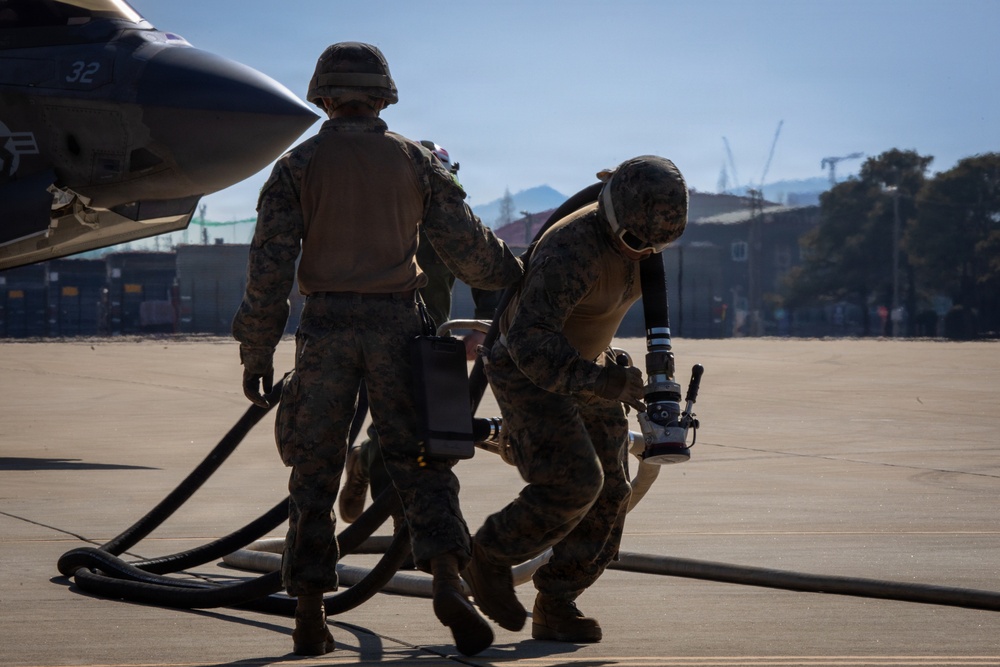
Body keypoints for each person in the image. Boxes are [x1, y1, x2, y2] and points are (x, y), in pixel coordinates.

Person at [231, 42, 522, 657]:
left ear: (325, 99)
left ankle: (310, 615)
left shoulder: (297, 166)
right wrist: (518, 273)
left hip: (327, 328)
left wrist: (257, 352)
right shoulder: (416, 163)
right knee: (423, 462)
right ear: (385, 97)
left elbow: (268, 271)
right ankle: (447, 582)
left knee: (314, 471)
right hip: (401, 328)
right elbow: (468, 247)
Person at [462, 155, 688, 643]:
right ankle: (489, 554)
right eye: (633, 242)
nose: (643, 253)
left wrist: (614, 374)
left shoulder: (641, 237)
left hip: (587, 367)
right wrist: (604, 384)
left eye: (658, 245)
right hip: (529, 371)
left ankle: (557, 602)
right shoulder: (572, 250)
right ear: (611, 219)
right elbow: (527, 342)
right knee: (574, 483)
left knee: (611, 493)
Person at [338, 140, 500, 525]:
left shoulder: (453, 221)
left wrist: (483, 326)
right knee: (394, 428)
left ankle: (370, 475)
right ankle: (394, 521)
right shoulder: (374, 215)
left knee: (415, 432)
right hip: (369, 335)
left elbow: (486, 267)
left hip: (428, 340)